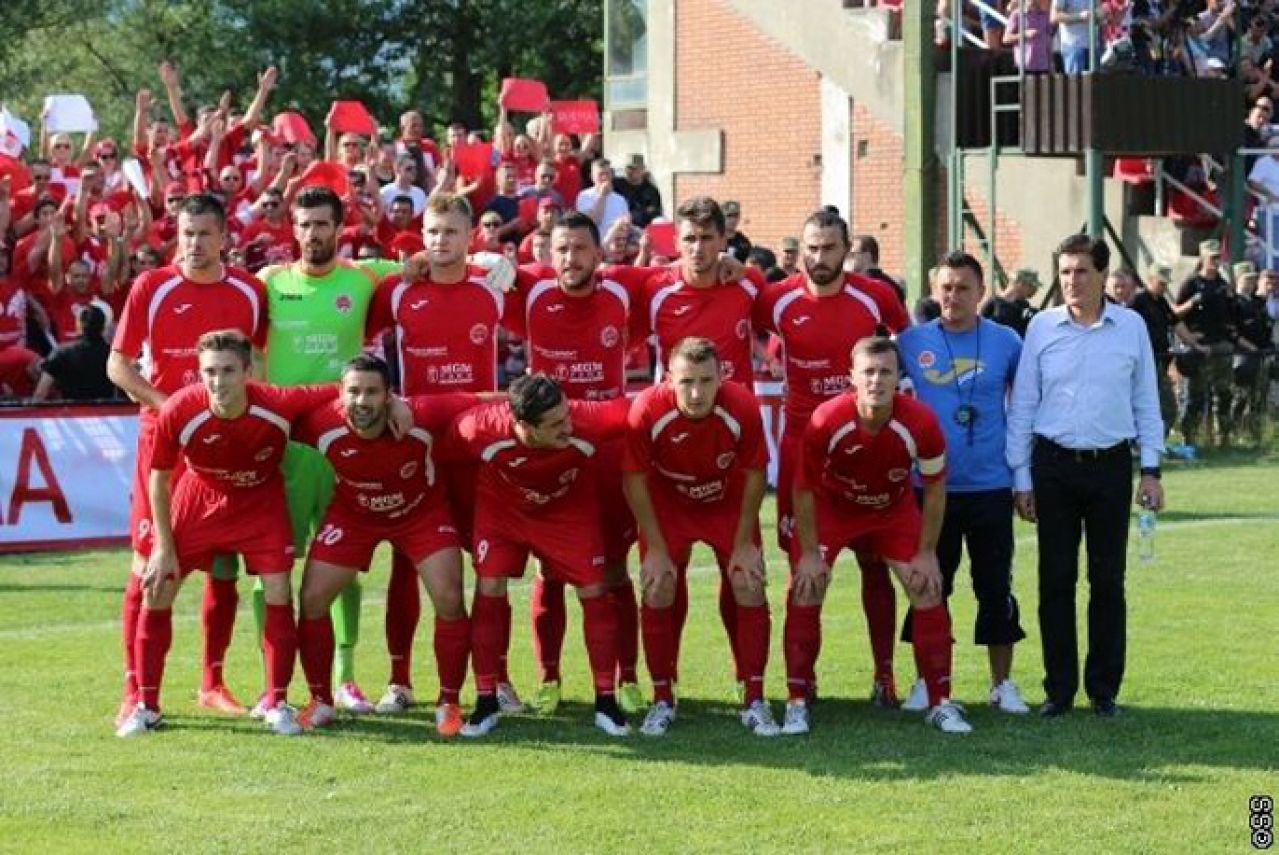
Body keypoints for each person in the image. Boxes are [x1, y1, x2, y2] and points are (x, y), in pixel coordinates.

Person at [115, 330, 337, 738]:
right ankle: (147, 705)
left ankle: (277, 701)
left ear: (248, 372)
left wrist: (391, 400)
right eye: (210, 372)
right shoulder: (180, 409)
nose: (218, 382)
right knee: (157, 586)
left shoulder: (278, 403)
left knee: (278, 591)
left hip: (259, 502)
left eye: (228, 371)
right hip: (199, 499)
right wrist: (163, 546)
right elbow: (159, 480)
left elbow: (340, 389)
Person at [107, 193, 269, 728]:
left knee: (223, 563)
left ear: (224, 236)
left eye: (203, 234)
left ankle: (212, 681)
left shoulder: (250, 291)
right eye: (185, 233)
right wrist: (172, 408)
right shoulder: (152, 287)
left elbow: (259, 365)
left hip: (224, 448)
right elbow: (118, 365)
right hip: (165, 445)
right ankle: (135, 691)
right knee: (149, 565)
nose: (193, 244)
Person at [367, 192, 525, 713]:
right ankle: (398, 680)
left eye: (451, 233)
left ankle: (495, 678)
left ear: (469, 236)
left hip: (477, 447)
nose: (439, 242)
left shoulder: (493, 289)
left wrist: (506, 260)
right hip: (415, 445)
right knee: (404, 562)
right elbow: (350, 294)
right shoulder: (398, 290)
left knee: (489, 564)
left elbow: (559, 278)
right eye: (432, 233)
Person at [753, 208, 909, 705]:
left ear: (848, 250)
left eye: (829, 248)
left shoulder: (876, 296)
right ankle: (803, 680)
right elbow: (738, 316)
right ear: (798, 251)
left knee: (874, 563)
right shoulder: (775, 301)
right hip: (804, 453)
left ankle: (885, 676)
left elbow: (907, 342)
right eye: (811, 249)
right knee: (805, 568)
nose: (819, 259)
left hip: (866, 448)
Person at [1006, 233, 1165, 718]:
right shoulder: (1042, 328)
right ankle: (1058, 691)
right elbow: (1024, 405)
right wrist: (1021, 477)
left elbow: (1146, 400)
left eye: (1081, 272)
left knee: (1107, 580)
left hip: (1111, 467)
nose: (1071, 281)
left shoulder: (1131, 326)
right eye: (1065, 272)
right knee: (1055, 580)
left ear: (1103, 275)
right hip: (1052, 467)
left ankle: (1103, 691)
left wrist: (1152, 469)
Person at [783, 336, 969, 735]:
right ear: (851, 377)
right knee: (805, 585)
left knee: (927, 586)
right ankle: (797, 700)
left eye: (885, 371)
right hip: (834, 509)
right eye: (868, 371)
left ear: (899, 377)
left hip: (891, 510)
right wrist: (811, 553)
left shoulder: (919, 421)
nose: (876, 380)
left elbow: (936, 487)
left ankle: (940, 702)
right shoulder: (826, 419)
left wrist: (926, 553)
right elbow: (803, 489)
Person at [292, 355, 478, 736]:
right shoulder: (317, 424)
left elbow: (485, 401)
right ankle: (321, 700)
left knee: (449, 597)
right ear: (339, 395)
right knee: (311, 598)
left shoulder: (422, 414)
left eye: (373, 392)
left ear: (389, 394)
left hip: (421, 513)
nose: (362, 401)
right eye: (354, 392)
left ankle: (449, 702)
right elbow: (265, 410)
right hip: (352, 516)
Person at [504, 211, 644, 715]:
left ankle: (627, 678)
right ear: (548, 253)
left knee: (614, 569)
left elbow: (680, 275)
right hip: (550, 449)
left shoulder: (624, 291)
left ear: (598, 252)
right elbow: (466, 267)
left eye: (580, 249)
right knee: (549, 568)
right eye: (560, 249)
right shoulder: (530, 291)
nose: (570, 259)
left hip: (606, 453)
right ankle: (550, 679)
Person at [445, 374, 632, 737]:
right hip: (502, 512)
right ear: (523, 426)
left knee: (594, 591)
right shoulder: (476, 429)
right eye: (556, 423)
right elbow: (449, 458)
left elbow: (640, 408)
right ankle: (486, 702)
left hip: (568, 511)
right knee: (490, 586)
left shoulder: (589, 419)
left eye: (567, 415)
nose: (569, 425)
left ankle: (606, 702)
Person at [623, 337, 778, 737]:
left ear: (721, 377)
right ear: (667, 379)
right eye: (686, 381)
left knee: (748, 581)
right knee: (658, 587)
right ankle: (662, 698)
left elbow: (755, 473)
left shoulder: (741, 405)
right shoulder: (646, 409)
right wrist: (655, 547)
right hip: (668, 505)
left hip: (725, 503)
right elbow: (635, 480)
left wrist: (745, 543)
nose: (696, 392)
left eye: (706, 381)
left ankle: (754, 697)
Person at [897, 251, 1029, 715]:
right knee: (929, 585)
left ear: (981, 292)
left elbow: (1027, 405)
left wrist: (1023, 477)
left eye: (963, 288)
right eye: (946, 287)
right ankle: (925, 682)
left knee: (995, 586)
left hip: (991, 485)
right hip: (930, 488)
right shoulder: (911, 341)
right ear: (935, 290)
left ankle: (1002, 684)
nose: (953, 296)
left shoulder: (1006, 342)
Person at [1175, 239, 1240, 445]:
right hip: (1199, 345)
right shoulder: (1191, 283)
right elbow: (1174, 314)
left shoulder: (1222, 283)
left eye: (1217, 257)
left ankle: (1223, 437)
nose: (1215, 261)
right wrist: (1193, 302)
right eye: (1212, 257)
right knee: (1195, 395)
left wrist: (1232, 295)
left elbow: (1232, 314)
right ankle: (1189, 438)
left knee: (1224, 394)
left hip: (1221, 345)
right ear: (1202, 258)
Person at [1127, 264, 1183, 434]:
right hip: (1144, 362)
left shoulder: (1161, 302)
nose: (1164, 288)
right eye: (1161, 283)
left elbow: (1176, 323)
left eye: (1166, 284)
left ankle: (1157, 441)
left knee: (1167, 407)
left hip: (1160, 361)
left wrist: (1195, 344)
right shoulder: (1138, 301)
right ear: (1150, 280)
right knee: (1157, 404)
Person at [32, 304, 117, 401]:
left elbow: (40, 393)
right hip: (107, 413)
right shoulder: (114, 357)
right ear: (103, 327)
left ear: (79, 325)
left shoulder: (61, 353)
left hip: (70, 413)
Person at [574, 158, 629, 237]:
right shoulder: (584, 196)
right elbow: (591, 222)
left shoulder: (620, 199)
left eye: (607, 174)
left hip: (615, 246)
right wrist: (602, 195)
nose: (604, 178)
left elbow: (626, 225)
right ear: (592, 177)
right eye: (600, 174)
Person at [982, 267, 1040, 338]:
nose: (1034, 290)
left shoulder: (1024, 306)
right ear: (1021, 284)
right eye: (1031, 286)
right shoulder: (993, 303)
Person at [848, 234, 906, 305]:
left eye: (852, 254)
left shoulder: (861, 287)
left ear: (867, 255)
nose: (848, 258)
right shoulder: (892, 285)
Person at [615, 154, 663, 228]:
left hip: (641, 229)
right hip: (619, 227)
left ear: (642, 169)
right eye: (628, 168)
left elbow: (655, 214)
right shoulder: (617, 185)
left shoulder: (651, 190)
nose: (630, 171)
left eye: (634, 168)